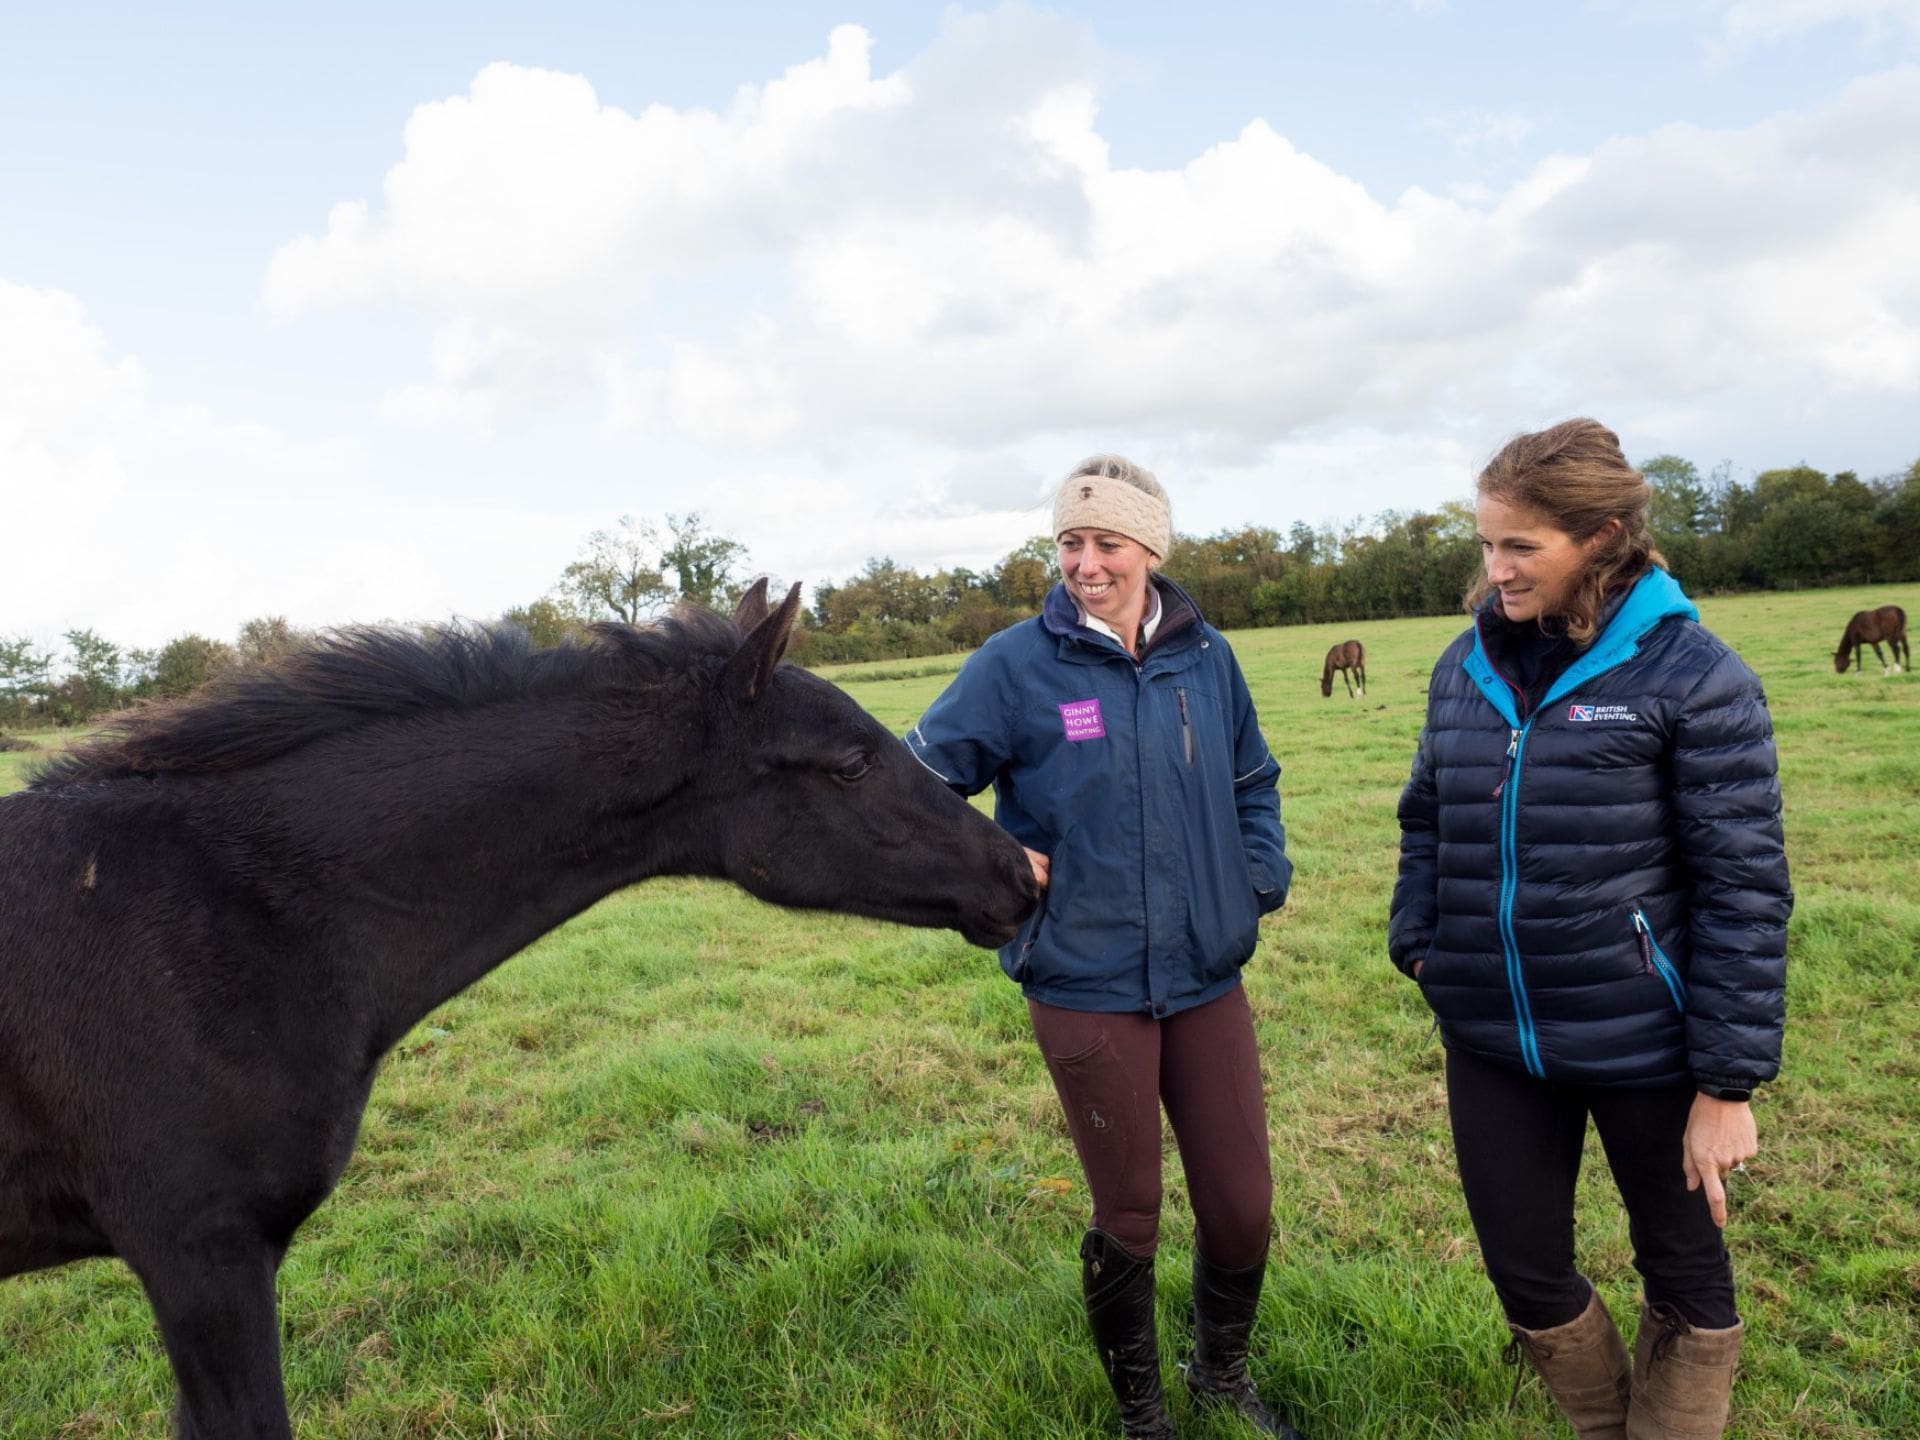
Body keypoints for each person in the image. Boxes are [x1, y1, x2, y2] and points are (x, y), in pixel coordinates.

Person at [1389, 419, 1791, 1440]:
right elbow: (1427, 813)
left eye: (1521, 546)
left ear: (1602, 538)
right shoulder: (1463, 665)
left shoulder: (1694, 676)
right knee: (1525, 1272)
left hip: (1644, 1039)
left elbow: (1745, 885)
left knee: (1686, 1275)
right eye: (1485, 543)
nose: (1496, 570)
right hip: (1491, 1034)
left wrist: (1726, 1084)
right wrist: (1422, 942)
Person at [908, 456, 1305, 1440]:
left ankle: (1222, 1375)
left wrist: (1255, 880)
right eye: (1071, 543)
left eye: (1108, 543)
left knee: (1242, 1205)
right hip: (1084, 980)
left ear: (1151, 551)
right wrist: (992, 871)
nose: (1086, 563)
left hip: (1207, 972)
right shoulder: (1014, 666)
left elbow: (1253, 778)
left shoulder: (1204, 658)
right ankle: (1144, 1417)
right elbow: (915, 792)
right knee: (1129, 1214)